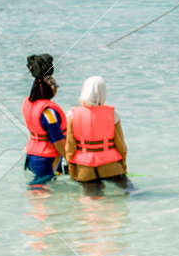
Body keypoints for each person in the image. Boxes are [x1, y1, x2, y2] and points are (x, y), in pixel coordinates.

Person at [65, 76, 130, 195]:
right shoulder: (113, 114)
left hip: (85, 169)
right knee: (124, 197)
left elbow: (70, 147)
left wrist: (72, 168)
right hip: (111, 166)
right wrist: (124, 166)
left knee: (91, 205)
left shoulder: (72, 115)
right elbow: (121, 146)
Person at [21, 54, 66, 185]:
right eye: (54, 85)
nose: (56, 87)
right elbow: (57, 141)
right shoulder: (48, 112)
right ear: (48, 89)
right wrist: (72, 159)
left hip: (31, 156)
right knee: (41, 193)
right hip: (46, 159)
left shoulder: (28, 104)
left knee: (38, 190)